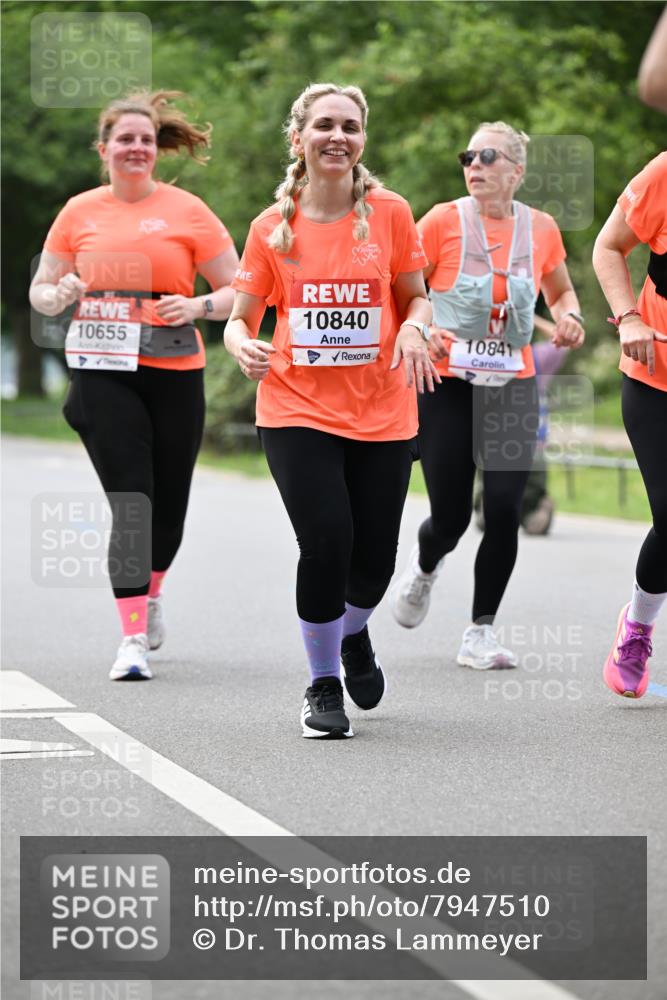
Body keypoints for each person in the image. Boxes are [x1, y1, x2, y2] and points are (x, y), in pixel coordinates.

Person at [224, 83, 436, 739]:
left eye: (349, 126)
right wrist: (240, 345)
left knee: (372, 563)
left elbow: (416, 297)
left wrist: (413, 329)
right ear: (299, 138)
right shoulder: (271, 228)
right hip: (296, 408)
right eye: (324, 125)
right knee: (325, 542)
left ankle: (351, 632)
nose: (337, 136)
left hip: (383, 410)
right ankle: (322, 683)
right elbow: (238, 319)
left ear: (362, 139)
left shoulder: (391, 213)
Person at [30, 90, 239, 681]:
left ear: (157, 149)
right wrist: (58, 294)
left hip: (175, 371)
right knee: (132, 502)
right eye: (124, 138)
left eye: (145, 139)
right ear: (104, 148)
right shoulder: (79, 211)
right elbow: (41, 290)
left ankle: (152, 591)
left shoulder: (187, 210)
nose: (136, 147)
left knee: (168, 509)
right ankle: (131, 638)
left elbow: (240, 290)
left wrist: (196, 306)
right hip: (101, 369)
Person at [389, 121, 585, 669]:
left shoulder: (540, 228)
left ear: (517, 171)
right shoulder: (441, 221)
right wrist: (422, 330)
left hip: (513, 384)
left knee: (502, 510)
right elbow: (403, 291)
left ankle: (480, 632)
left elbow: (561, 291)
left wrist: (569, 316)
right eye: (468, 157)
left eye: (487, 157)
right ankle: (425, 566)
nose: (473, 165)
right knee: (451, 517)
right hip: (448, 383)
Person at [593, 151, 667, 698]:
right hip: (656, 378)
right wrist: (630, 317)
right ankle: (637, 626)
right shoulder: (664, 173)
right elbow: (608, 247)